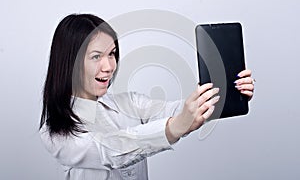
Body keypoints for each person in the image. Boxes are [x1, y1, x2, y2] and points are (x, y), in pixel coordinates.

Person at [39, 13, 254, 180]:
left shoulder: (129, 103)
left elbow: (178, 111)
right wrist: (173, 127)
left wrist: (222, 91)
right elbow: (112, 150)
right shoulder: (56, 132)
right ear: (70, 63)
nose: (109, 66)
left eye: (112, 54)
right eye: (96, 56)